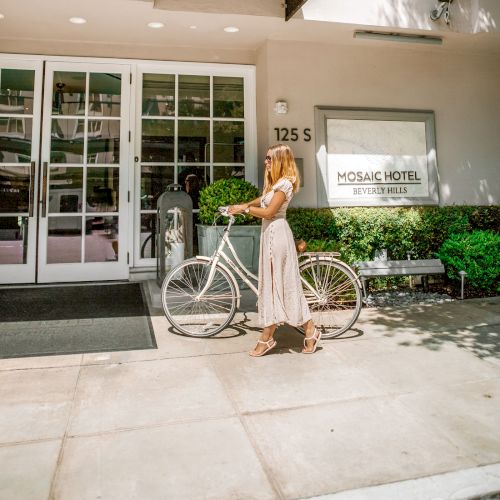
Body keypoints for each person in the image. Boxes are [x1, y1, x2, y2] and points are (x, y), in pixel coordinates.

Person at [229, 144, 320, 357]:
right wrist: (243, 204)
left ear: (280, 159)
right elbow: (263, 200)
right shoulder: (275, 184)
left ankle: (267, 336)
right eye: (266, 158)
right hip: (270, 236)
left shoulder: (286, 184)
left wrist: (246, 209)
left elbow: (269, 211)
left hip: (277, 236)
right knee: (281, 285)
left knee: (278, 285)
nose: (266, 162)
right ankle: (310, 330)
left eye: (269, 158)